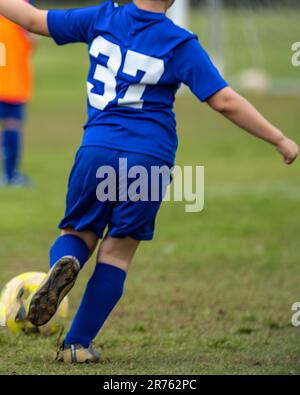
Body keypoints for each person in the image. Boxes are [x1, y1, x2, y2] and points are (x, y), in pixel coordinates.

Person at [0, 0, 298, 364]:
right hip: (149, 158)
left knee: (77, 235)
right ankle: (76, 345)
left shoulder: (103, 17)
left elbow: (32, 19)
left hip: (96, 149)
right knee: (118, 251)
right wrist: (279, 138)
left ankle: (66, 264)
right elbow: (224, 101)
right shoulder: (179, 42)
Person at [0, 0, 35, 186]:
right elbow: (31, 40)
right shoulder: (21, 11)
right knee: (12, 125)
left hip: (8, 79)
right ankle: (10, 175)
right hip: (10, 81)